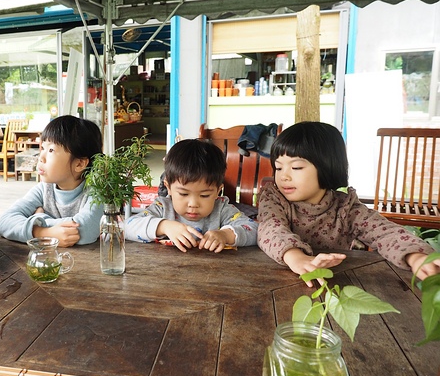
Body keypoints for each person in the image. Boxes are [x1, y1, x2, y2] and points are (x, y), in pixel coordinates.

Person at [257, 121, 439, 286]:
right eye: (278, 167)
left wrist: (415, 256)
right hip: (274, 280)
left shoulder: (346, 208)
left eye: (296, 167)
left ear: (327, 166)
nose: (283, 176)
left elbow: (384, 232)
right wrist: (296, 257)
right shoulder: (274, 198)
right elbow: (270, 228)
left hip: (333, 286)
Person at [125, 139, 258, 252]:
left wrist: (225, 235)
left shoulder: (222, 210)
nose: (193, 204)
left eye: (205, 195)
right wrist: (163, 226)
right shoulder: (162, 207)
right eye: (183, 193)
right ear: (168, 187)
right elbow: (127, 227)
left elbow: (255, 230)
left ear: (218, 191)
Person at [0, 115, 103, 247]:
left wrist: (38, 218)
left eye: (51, 150)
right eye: (43, 148)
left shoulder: (96, 191)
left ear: (80, 164)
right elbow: (4, 222)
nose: (41, 157)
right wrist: (42, 232)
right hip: (48, 263)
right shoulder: (44, 189)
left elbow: (84, 231)